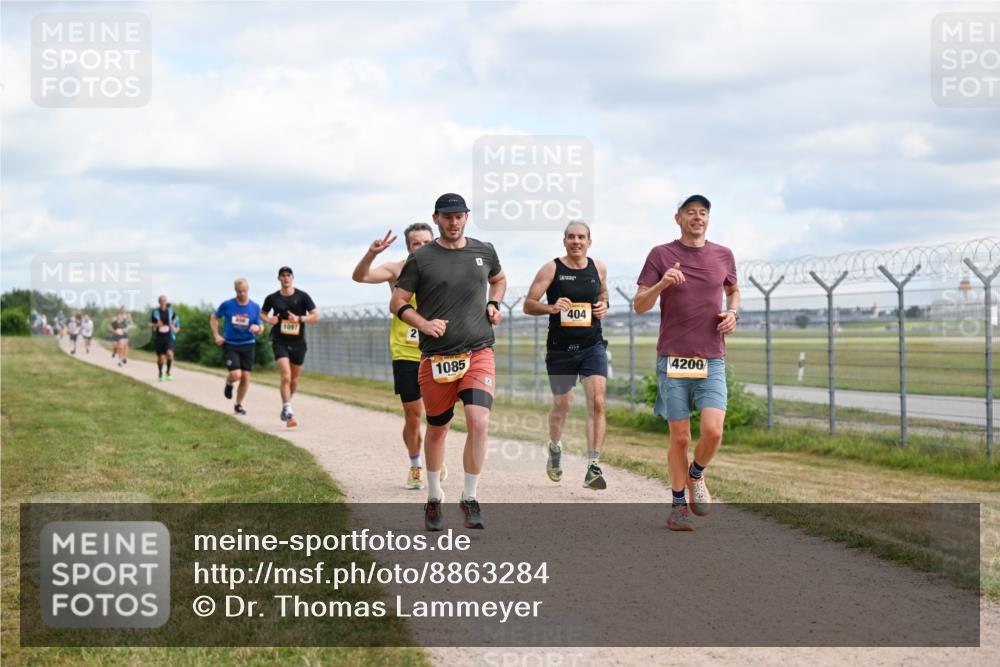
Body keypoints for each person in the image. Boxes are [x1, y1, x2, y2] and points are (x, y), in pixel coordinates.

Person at [391, 193, 505, 531]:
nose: (453, 222)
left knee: (479, 421)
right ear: (436, 217)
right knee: (438, 430)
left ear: (467, 217)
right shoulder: (422, 258)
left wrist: (494, 304)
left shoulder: (484, 251)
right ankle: (435, 495)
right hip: (437, 359)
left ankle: (469, 497)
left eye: (459, 216)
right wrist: (423, 324)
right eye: (447, 216)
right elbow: (398, 301)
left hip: (479, 352)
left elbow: (498, 279)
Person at [634, 194, 740, 531]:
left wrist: (733, 312)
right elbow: (639, 304)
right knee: (679, 438)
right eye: (690, 212)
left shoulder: (723, 255)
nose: (697, 217)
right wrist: (663, 283)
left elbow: (733, 290)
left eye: (703, 213)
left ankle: (697, 474)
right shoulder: (661, 254)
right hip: (673, 360)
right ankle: (678, 504)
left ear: (709, 219)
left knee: (713, 431)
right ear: (677, 218)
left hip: (712, 359)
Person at [352, 223, 448, 489]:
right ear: (409, 247)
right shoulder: (397, 269)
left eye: (427, 242)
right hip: (406, 351)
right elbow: (360, 277)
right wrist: (372, 254)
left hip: (438, 349)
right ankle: (416, 464)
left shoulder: (446, 266)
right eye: (417, 243)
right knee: (413, 414)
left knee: (437, 413)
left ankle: (434, 455)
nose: (423, 247)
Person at [523, 220, 610, 490]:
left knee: (597, 402)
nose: (576, 241)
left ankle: (593, 465)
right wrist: (552, 308)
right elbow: (528, 304)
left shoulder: (599, 267)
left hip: (592, 345)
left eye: (581, 237)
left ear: (589, 242)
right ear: (564, 241)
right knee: (563, 405)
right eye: (571, 237)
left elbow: (604, 292)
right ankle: (555, 447)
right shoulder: (552, 268)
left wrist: (604, 305)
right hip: (560, 349)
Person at [261, 267, 318, 428]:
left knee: (293, 379)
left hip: (298, 343)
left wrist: (299, 318)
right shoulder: (272, 298)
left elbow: (316, 316)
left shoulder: (302, 296)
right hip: (279, 341)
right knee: (285, 376)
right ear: (279, 279)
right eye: (282, 276)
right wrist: (269, 320)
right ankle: (288, 410)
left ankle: (286, 404)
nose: (285, 278)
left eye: (288, 276)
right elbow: (262, 313)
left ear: (292, 278)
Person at [210, 278, 263, 415]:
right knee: (236, 374)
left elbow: (261, 327)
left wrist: (257, 327)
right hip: (231, 344)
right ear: (235, 291)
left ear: (248, 290)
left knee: (245, 376)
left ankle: (238, 405)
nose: (242, 294)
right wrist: (217, 335)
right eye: (240, 291)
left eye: (245, 291)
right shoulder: (227, 305)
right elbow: (214, 317)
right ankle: (229, 383)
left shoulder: (255, 307)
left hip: (248, 344)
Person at [150, 295, 181, 382]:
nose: (163, 302)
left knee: (170, 353)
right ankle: (160, 373)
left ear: (166, 302)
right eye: (161, 300)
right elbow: (151, 326)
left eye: (164, 300)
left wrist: (176, 329)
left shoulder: (171, 312)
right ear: (159, 302)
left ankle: (168, 372)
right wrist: (156, 325)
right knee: (161, 358)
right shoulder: (155, 313)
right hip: (159, 337)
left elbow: (177, 323)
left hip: (169, 336)